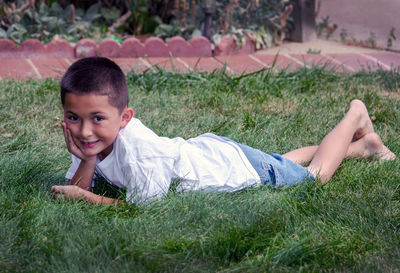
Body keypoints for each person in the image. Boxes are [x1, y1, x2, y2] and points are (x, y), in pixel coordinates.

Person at [51, 57, 396, 205]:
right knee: (276, 164)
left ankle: (355, 116)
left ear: (124, 118)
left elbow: (137, 209)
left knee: (312, 178)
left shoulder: (142, 152)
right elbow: (78, 182)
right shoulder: (90, 139)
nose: (83, 131)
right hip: (215, 155)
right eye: (73, 118)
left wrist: (87, 198)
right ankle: (363, 147)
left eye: (97, 118)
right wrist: (88, 160)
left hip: (232, 169)